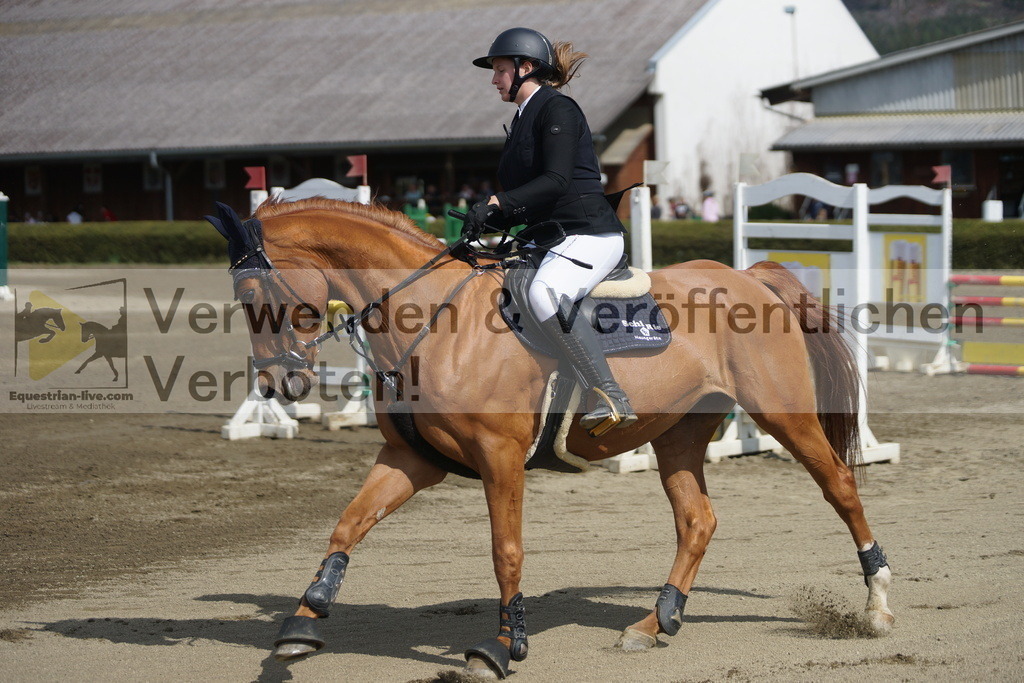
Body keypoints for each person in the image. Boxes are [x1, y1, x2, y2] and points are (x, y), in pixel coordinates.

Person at [465, 27, 637, 436]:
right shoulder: (523, 119)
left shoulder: (557, 109)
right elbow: (531, 198)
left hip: (590, 234)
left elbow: (556, 182)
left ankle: (611, 393)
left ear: (526, 68)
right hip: (552, 237)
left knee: (546, 293)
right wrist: (488, 221)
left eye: (500, 70)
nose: (494, 79)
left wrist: (499, 203)